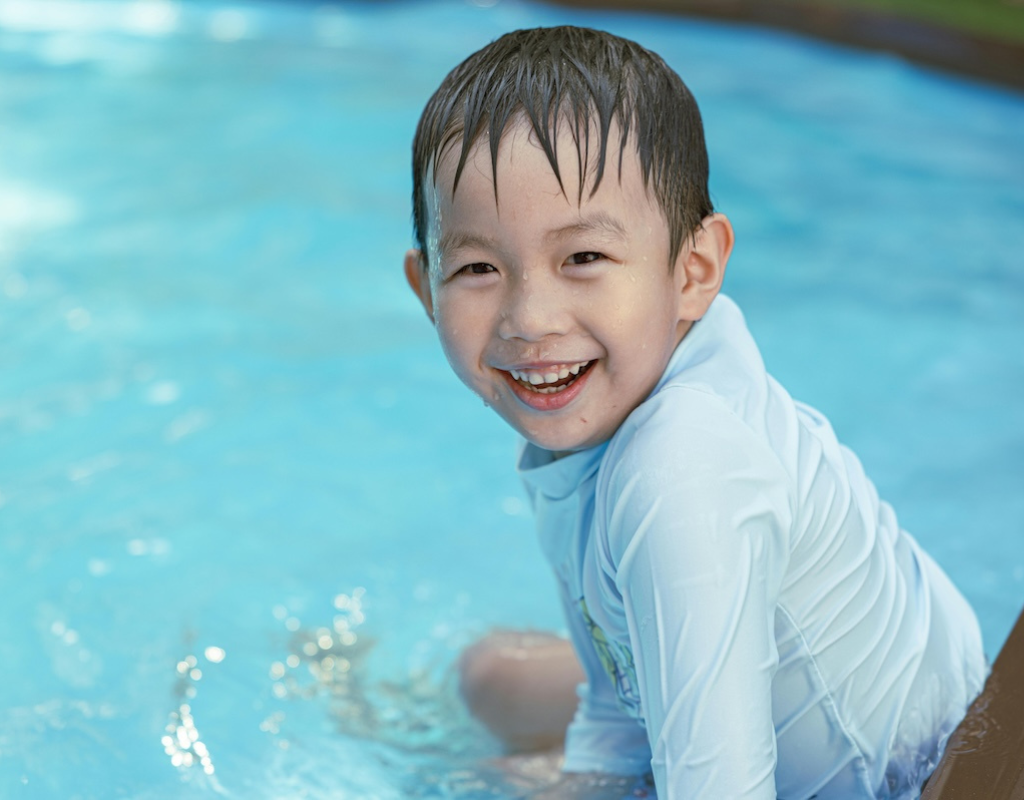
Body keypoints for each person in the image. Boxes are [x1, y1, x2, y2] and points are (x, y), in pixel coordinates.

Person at [401, 26, 987, 800]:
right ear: (425, 289)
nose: (528, 318)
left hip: (928, 781)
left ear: (695, 269)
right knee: (493, 678)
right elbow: (619, 698)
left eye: (583, 258)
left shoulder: (683, 467)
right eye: (478, 268)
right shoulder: (585, 429)